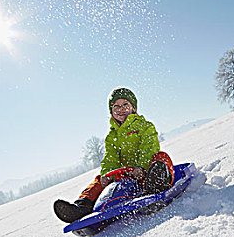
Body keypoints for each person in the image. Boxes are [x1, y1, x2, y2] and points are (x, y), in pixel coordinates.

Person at [53, 87, 174, 223]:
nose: (120, 109)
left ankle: (155, 188)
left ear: (133, 108)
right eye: (116, 106)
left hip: (146, 173)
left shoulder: (145, 126)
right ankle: (81, 206)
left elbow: (149, 148)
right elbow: (110, 158)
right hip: (126, 174)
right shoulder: (112, 136)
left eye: (125, 105)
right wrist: (108, 175)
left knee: (161, 158)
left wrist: (142, 167)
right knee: (99, 180)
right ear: (111, 111)